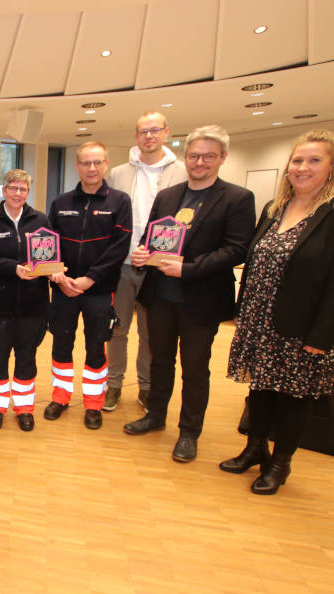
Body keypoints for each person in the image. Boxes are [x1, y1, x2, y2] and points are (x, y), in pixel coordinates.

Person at [223, 130, 334, 494]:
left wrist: (322, 336)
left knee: (292, 397)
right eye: (297, 160)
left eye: (314, 160)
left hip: (303, 328)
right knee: (260, 390)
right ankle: (254, 448)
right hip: (260, 322)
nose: (303, 167)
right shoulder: (274, 209)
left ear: (333, 166)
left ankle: (280, 463)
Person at [124, 125, 256, 464]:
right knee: (159, 362)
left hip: (201, 300)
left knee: (195, 369)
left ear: (222, 158)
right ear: (186, 157)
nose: (199, 162)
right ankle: (155, 417)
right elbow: (153, 240)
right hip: (160, 296)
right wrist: (141, 254)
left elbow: (237, 250)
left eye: (208, 156)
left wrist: (189, 267)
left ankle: (189, 432)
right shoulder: (168, 195)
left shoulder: (238, 198)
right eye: (194, 155)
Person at [44, 142, 132, 430]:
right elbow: (49, 245)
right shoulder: (60, 203)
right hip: (63, 288)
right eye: (85, 163)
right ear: (77, 166)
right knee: (61, 344)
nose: (91, 168)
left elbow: (119, 248)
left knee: (96, 347)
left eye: (97, 162)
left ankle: (94, 403)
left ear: (106, 164)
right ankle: (61, 396)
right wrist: (59, 276)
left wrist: (89, 279)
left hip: (99, 290)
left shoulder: (119, 201)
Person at [105, 111, 187, 412]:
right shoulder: (118, 173)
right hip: (123, 265)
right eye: (143, 131)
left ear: (166, 132)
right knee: (117, 329)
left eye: (155, 130)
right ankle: (112, 385)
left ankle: (147, 387)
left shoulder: (182, 172)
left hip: (162, 268)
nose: (149, 136)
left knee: (151, 333)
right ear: (136, 136)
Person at [0, 169, 51, 431]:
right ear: (3, 190)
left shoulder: (41, 221)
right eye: (12, 188)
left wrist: (55, 271)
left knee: (27, 358)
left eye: (23, 189)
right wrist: (12, 267)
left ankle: (25, 409)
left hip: (33, 307)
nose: (17, 193)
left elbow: (48, 259)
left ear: (28, 192)